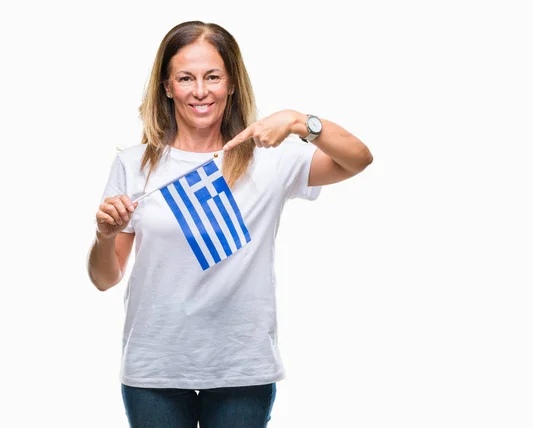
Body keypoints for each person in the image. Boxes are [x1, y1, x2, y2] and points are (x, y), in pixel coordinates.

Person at [87, 20, 373, 428]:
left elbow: (358, 159)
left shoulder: (271, 159)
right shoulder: (134, 165)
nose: (200, 91)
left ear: (232, 83)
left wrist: (297, 121)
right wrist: (103, 237)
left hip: (241, 369)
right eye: (185, 78)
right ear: (167, 86)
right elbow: (104, 279)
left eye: (213, 77)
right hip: (154, 369)